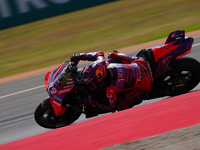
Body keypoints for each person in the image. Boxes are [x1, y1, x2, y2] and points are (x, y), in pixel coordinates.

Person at [70, 51, 153, 118]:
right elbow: (99, 53)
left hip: (145, 84)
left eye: (91, 83)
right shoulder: (104, 63)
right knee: (112, 54)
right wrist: (79, 56)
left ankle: (142, 96)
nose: (90, 85)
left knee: (120, 106)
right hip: (141, 62)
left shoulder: (110, 90)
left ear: (100, 79)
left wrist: (93, 103)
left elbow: (112, 108)